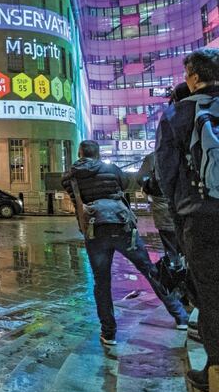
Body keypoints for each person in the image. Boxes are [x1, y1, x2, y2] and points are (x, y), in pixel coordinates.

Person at [62, 140, 188, 346]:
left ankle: (109, 332)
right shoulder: (111, 169)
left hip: (95, 230)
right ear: (98, 154)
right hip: (122, 226)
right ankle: (180, 315)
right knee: (149, 270)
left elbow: (75, 197)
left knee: (101, 282)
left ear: (79, 154)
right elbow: (125, 185)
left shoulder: (70, 176)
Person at [156, 48, 219, 392]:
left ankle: (215, 365)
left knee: (209, 292)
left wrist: (179, 212)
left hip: (200, 215)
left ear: (194, 77)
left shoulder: (178, 114)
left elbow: (166, 173)